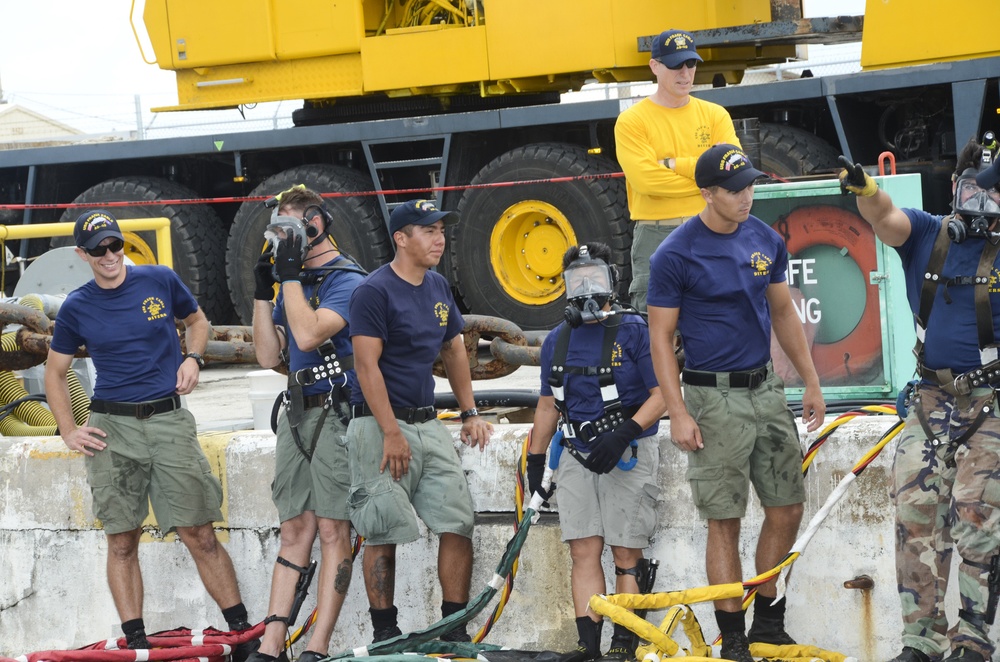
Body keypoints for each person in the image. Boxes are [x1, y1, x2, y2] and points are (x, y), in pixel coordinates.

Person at [43, 210, 257, 655]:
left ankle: (242, 637)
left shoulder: (159, 278)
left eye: (115, 245)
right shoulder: (76, 306)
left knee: (199, 531)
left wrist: (193, 358)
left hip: (169, 421)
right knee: (122, 539)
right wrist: (68, 429)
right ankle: (137, 644)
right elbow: (55, 371)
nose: (110, 255)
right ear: (83, 254)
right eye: (98, 249)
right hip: (112, 428)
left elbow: (198, 322)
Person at [646, 145, 825, 662]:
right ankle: (734, 638)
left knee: (787, 506)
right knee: (723, 519)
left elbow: (784, 314)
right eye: (735, 189)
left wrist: (810, 383)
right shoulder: (674, 254)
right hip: (710, 395)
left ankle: (768, 617)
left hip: (765, 388)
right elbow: (661, 338)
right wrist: (677, 412)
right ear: (707, 193)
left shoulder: (765, 238)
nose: (747, 196)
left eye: (750, 186)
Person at [840, 137, 1000, 662]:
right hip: (930, 401)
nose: (977, 202)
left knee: (978, 518)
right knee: (914, 517)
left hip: (990, 401)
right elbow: (884, 215)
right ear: (953, 188)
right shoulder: (928, 234)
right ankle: (921, 640)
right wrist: (865, 190)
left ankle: (974, 639)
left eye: (990, 191)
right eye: (969, 188)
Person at [346, 199, 494, 643]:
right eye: (428, 230)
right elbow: (365, 367)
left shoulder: (437, 286)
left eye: (441, 230)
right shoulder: (373, 291)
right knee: (382, 527)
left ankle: (453, 628)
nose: (439, 238)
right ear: (401, 238)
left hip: (428, 421)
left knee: (457, 521)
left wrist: (469, 412)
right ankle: (385, 634)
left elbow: (453, 348)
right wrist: (390, 431)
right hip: (378, 424)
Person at [527, 242, 666, 662]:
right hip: (574, 454)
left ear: (612, 282)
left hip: (627, 449)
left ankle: (624, 643)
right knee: (583, 549)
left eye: (595, 279)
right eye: (577, 281)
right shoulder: (557, 339)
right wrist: (536, 462)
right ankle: (588, 645)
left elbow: (663, 396)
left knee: (626, 550)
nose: (586, 289)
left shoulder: (635, 331)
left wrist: (625, 431)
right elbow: (548, 403)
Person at [248, 186, 366, 662]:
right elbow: (268, 354)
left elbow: (309, 331)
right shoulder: (293, 285)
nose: (284, 243)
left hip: (338, 412)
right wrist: (263, 292)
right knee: (295, 525)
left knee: (335, 528)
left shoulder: (349, 280)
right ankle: (271, 644)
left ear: (317, 224)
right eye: (279, 233)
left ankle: (318, 646)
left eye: (292, 231)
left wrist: (290, 277)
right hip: (298, 412)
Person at [614, 28, 740, 312]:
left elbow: (734, 171)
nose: (685, 73)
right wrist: (709, 177)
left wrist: (674, 164)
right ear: (655, 66)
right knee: (656, 330)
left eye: (691, 64)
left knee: (715, 322)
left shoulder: (715, 114)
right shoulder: (632, 121)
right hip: (658, 236)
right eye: (675, 65)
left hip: (709, 230)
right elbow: (646, 181)